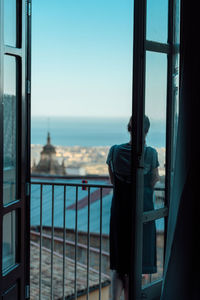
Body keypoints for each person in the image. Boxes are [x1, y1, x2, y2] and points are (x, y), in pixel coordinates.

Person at [106, 116, 160, 300]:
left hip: (120, 212)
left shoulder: (114, 152)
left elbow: (114, 182)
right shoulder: (151, 154)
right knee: (135, 264)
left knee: (119, 263)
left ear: (129, 128)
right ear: (147, 130)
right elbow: (153, 182)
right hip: (142, 213)